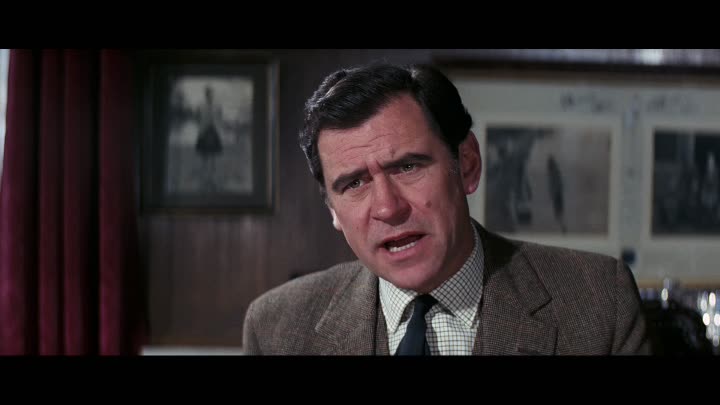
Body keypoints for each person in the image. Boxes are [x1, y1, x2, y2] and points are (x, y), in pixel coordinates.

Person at [242, 62, 651, 355]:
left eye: (407, 167)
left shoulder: (597, 301)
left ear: (467, 164)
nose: (387, 207)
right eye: (354, 183)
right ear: (332, 208)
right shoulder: (277, 327)